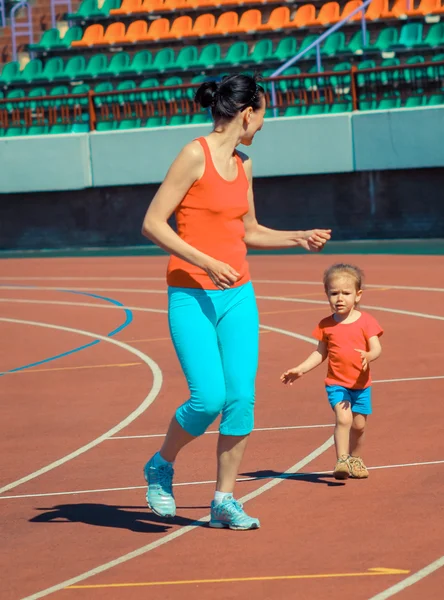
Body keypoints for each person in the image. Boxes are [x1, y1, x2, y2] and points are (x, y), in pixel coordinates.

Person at [140, 73, 331, 530]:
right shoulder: (193, 155)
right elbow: (152, 223)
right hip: (191, 295)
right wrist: (204, 260)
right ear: (248, 113)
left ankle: (223, 500)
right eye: (263, 113)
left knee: (241, 399)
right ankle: (161, 465)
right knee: (208, 398)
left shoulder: (244, 165)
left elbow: (248, 230)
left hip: (238, 296)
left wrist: (295, 236)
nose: (264, 123)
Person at [281, 264, 383, 480]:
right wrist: (301, 369)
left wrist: (368, 355)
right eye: (334, 293)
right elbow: (320, 353)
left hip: (361, 385)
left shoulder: (366, 321)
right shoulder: (326, 325)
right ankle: (342, 460)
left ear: (358, 295)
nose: (339, 298)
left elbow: (377, 348)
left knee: (360, 425)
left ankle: (356, 458)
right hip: (337, 383)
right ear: (326, 294)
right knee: (343, 419)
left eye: (346, 293)